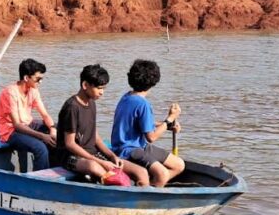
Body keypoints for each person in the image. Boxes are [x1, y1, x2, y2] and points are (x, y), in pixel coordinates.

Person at [52, 64, 149, 186]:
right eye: (99, 88)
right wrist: (101, 162)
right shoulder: (72, 107)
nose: (102, 92)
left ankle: (138, 203)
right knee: (96, 167)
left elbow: (95, 136)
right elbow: (70, 144)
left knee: (141, 172)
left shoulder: (92, 103)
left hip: (92, 153)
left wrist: (112, 156)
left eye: (104, 88)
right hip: (70, 156)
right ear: (85, 85)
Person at [110, 59, 185, 187]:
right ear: (154, 82)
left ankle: (150, 186)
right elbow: (151, 137)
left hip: (140, 146)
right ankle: (150, 196)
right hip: (128, 149)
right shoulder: (143, 104)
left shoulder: (127, 96)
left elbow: (142, 122)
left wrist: (167, 125)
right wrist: (170, 119)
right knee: (162, 174)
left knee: (179, 165)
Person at [0, 58, 56, 171]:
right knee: (40, 148)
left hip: (27, 124)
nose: (40, 82)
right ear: (26, 78)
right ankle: (39, 181)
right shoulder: (10, 92)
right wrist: (42, 136)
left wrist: (52, 129)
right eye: (38, 79)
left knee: (59, 131)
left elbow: (45, 114)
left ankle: (54, 171)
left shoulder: (33, 90)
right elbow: (17, 125)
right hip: (11, 132)